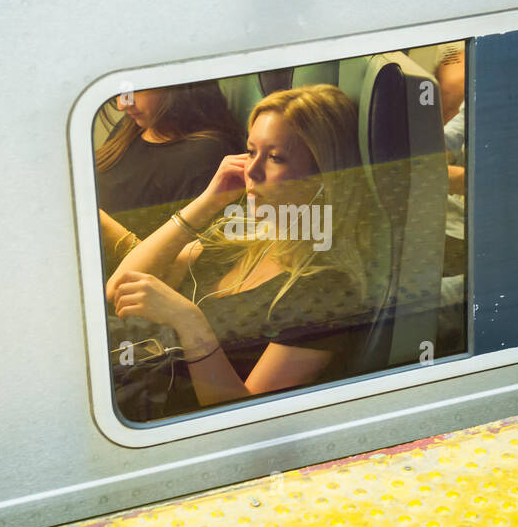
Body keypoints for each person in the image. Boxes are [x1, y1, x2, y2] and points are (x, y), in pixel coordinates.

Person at [105, 85, 375, 415]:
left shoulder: (326, 288)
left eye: (275, 157)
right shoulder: (240, 235)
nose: (252, 170)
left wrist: (189, 322)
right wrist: (208, 201)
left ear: (323, 177)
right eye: (250, 152)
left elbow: (248, 418)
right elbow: (120, 285)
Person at [96, 82, 245, 273]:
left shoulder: (205, 156)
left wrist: (103, 226)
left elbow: (175, 271)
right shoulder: (132, 127)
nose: (122, 105)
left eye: (136, 89)